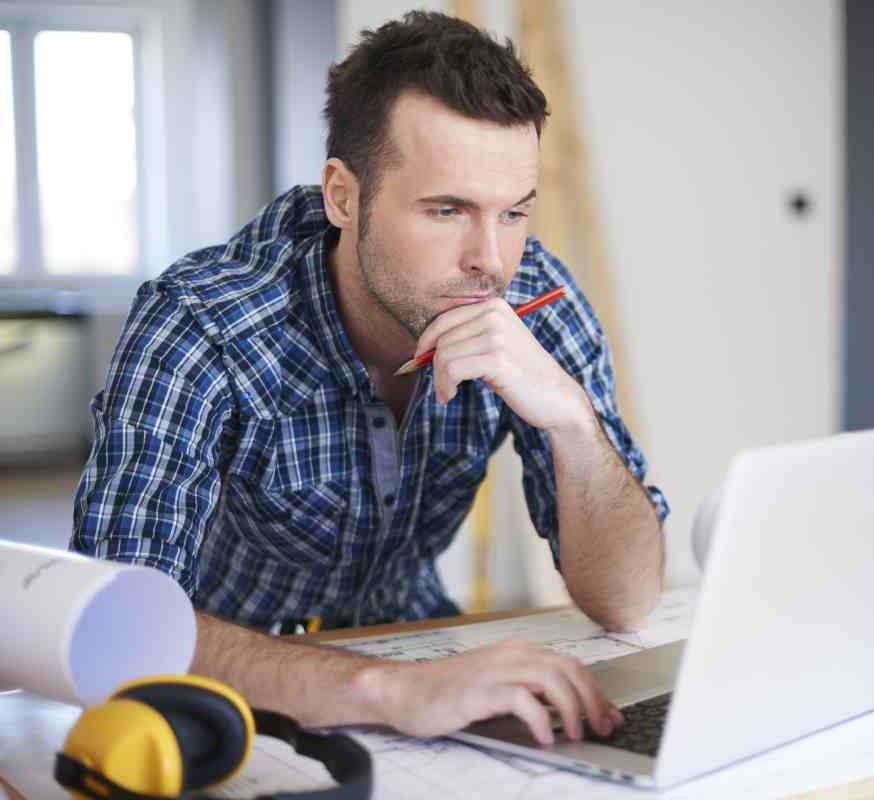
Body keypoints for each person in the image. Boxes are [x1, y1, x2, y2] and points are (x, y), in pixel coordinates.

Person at [70, 11, 668, 746]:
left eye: (513, 213)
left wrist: (574, 422)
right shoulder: (202, 322)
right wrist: (385, 691)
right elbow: (113, 618)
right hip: (228, 679)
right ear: (343, 197)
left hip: (423, 649)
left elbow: (629, 601)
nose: (492, 260)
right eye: (447, 210)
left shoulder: (535, 300)